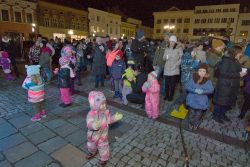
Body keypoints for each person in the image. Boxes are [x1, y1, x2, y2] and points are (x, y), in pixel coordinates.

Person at [86, 91, 123, 166]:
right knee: (91, 145)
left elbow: (108, 120)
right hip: (93, 135)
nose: (103, 106)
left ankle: (104, 158)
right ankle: (92, 152)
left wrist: (115, 118)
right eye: (101, 104)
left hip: (103, 134)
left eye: (104, 103)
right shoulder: (91, 114)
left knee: (103, 146)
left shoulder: (106, 112)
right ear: (94, 104)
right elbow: (89, 123)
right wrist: (94, 125)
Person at [213, 46, 247, 124]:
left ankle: (222, 114)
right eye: (240, 52)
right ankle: (216, 116)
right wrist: (238, 74)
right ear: (235, 52)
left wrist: (242, 71)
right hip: (225, 85)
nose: (241, 54)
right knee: (221, 102)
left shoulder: (235, 60)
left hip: (231, 86)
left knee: (227, 102)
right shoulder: (226, 61)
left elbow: (234, 70)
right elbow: (223, 73)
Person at [185, 63, 214, 130]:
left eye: (204, 71)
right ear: (197, 71)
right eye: (200, 71)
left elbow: (211, 90)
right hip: (192, 100)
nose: (202, 73)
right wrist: (194, 90)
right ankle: (191, 123)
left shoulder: (208, 81)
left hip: (201, 102)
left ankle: (196, 123)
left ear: (206, 72)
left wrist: (203, 91)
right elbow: (187, 86)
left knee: (198, 115)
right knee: (191, 113)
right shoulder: (193, 78)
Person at [163, 35, 183, 101]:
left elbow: (181, 59)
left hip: (174, 69)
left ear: (175, 42)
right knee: (166, 84)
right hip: (167, 68)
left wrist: (176, 65)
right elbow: (163, 58)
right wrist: (166, 57)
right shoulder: (167, 48)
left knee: (172, 84)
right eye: (170, 41)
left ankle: (170, 97)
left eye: (172, 42)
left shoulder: (179, 49)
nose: (171, 43)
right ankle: (166, 95)